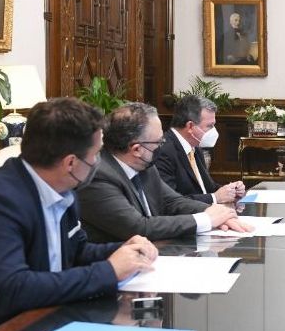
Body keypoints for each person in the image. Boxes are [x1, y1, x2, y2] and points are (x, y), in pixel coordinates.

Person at [0, 97, 157, 327]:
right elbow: (12, 289)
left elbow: (75, 252)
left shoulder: (64, 189)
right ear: (71, 163)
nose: (98, 161)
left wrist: (125, 250)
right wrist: (109, 271)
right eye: (96, 153)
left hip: (55, 313)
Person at [78, 102, 251, 242]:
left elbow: (173, 202)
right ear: (137, 149)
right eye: (158, 143)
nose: (162, 146)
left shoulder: (145, 166)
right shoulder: (98, 176)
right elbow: (139, 227)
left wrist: (219, 214)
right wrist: (206, 220)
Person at [156, 95, 245, 203]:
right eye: (210, 126)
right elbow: (171, 202)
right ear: (190, 126)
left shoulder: (195, 147)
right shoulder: (163, 151)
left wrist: (231, 190)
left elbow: (207, 187)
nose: (214, 131)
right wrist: (215, 198)